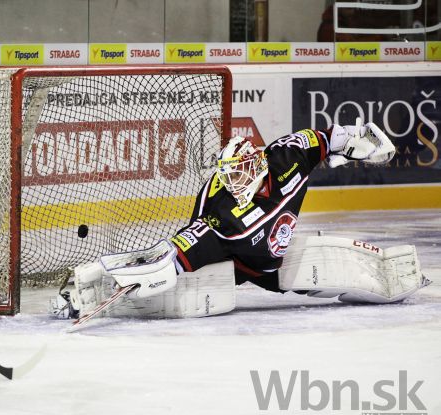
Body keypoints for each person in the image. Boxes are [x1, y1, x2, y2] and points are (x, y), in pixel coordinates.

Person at [56, 120, 428, 321]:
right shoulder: (219, 208)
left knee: (347, 273)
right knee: (173, 289)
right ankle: (83, 292)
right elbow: (179, 247)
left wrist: (358, 141)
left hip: (277, 259)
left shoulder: (286, 155)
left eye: (237, 173)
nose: (231, 181)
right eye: (227, 174)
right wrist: (158, 268)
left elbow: (328, 139)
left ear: (256, 165)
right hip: (235, 263)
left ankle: (400, 277)